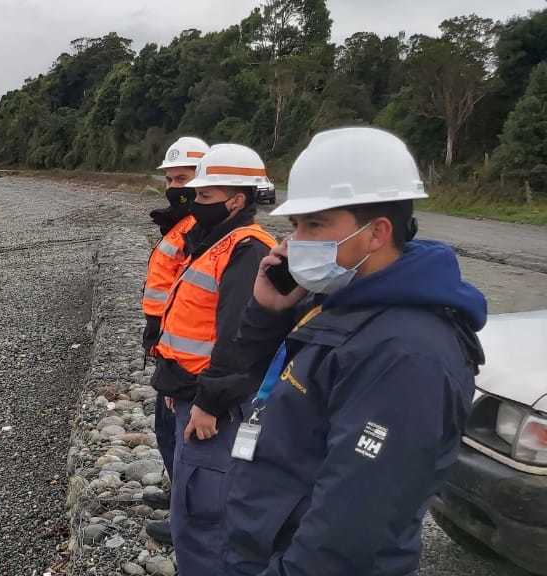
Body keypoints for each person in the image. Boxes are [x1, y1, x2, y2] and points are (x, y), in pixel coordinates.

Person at [221, 127, 486, 575]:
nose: (294, 242)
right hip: (263, 544)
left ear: (377, 232)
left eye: (316, 224)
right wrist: (269, 313)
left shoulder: (406, 355)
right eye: (296, 225)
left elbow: (349, 532)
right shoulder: (341, 300)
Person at [148, 143, 277, 575]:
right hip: (192, 392)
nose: (194, 203)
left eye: (204, 196)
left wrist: (209, 402)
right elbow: (195, 323)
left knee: (205, 519)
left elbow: (240, 339)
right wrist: (177, 384)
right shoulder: (218, 242)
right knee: (190, 514)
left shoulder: (247, 250)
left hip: (216, 409)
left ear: (237, 200)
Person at [142, 135, 210, 545]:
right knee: (166, 431)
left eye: (181, 179)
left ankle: (184, 515)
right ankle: (177, 498)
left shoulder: (202, 231)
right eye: (169, 179)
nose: (173, 188)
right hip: (170, 344)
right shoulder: (183, 224)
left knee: (178, 434)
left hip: (189, 354)